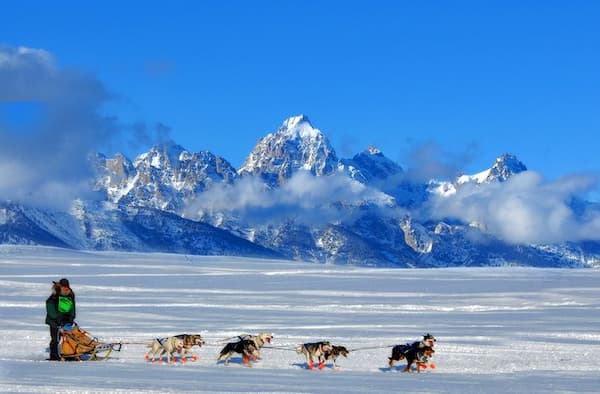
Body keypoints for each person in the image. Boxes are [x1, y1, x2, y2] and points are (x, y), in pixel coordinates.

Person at [45, 278, 76, 360]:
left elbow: (72, 307)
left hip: (66, 321)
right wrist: (56, 318)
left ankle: (69, 354)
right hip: (54, 322)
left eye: (67, 286)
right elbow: (50, 308)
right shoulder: (54, 296)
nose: (65, 288)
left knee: (70, 338)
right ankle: (54, 355)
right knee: (55, 339)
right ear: (60, 286)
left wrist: (72, 317)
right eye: (64, 286)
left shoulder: (70, 295)